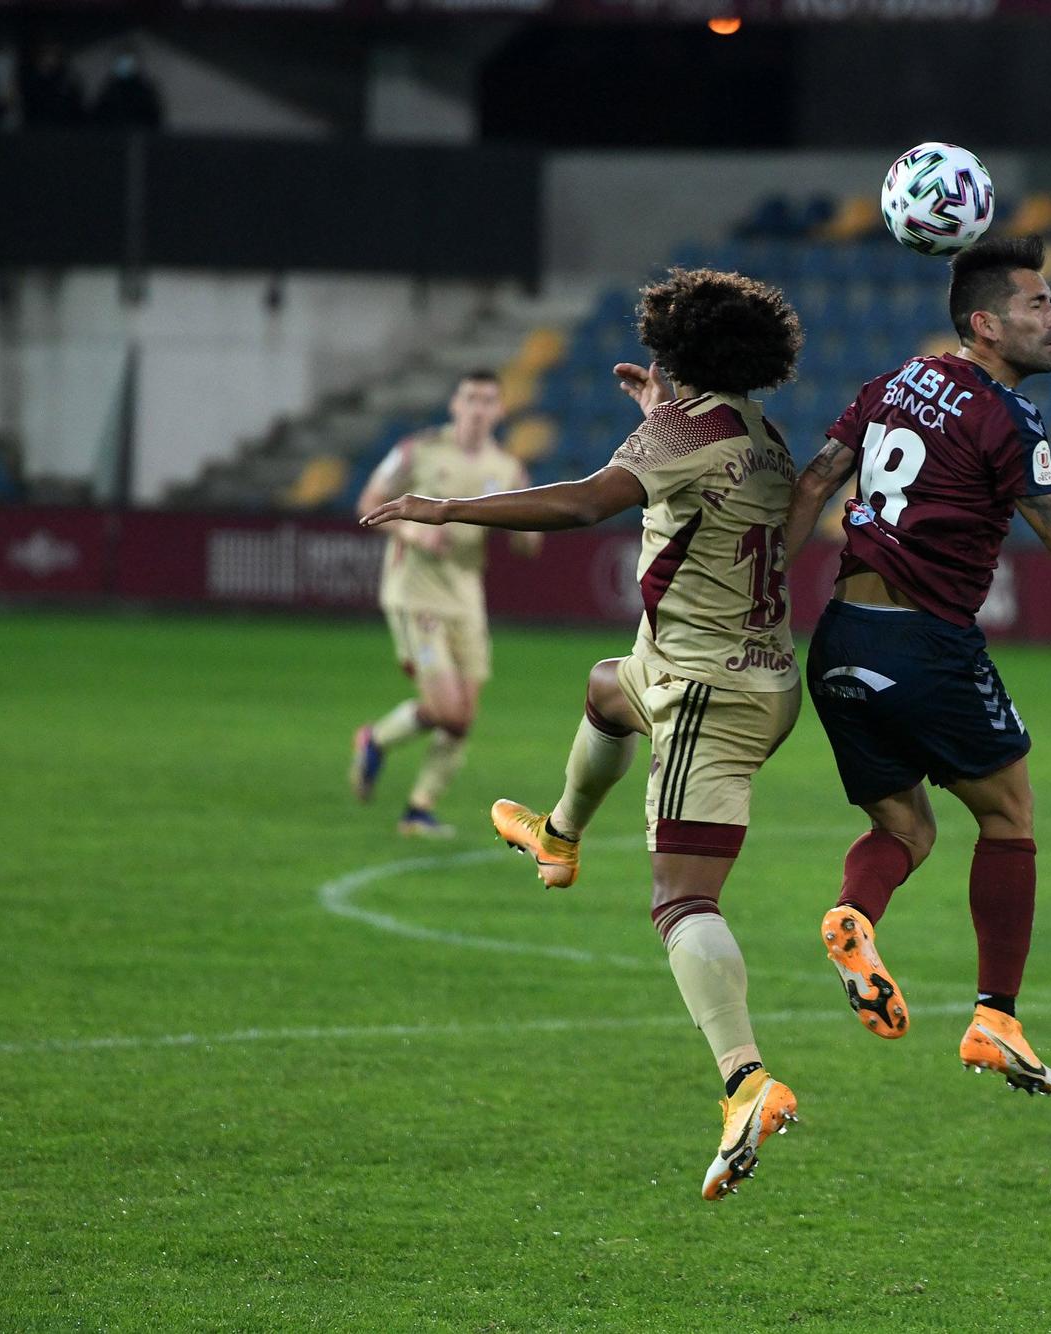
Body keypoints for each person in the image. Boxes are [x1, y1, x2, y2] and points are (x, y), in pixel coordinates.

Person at [363, 268, 806, 1202]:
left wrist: (444, 509)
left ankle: (745, 1081)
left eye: (660, 354)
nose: (648, 364)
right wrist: (661, 407)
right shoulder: (761, 433)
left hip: (703, 693)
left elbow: (579, 503)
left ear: (682, 356)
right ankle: (559, 837)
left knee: (681, 902)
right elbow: (694, 461)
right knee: (607, 690)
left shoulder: (681, 433)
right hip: (743, 673)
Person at [783, 234, 1051, 1096]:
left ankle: (855, 916)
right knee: (1008, 818)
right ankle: (995, 1019)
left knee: (906, 829)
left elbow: (816, 481)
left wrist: (760, 592)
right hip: (926, 644)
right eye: (1038, 305)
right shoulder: (1007, 418)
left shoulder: (893, 381)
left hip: (841, 640)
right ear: (985, 323)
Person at [351, 371, 537, 837]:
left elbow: (528, 541)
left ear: (499, 410)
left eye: (487, 400)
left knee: (462, 717)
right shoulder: (419, 450)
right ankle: (376, 741)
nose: (478, 408)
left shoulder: (509, 470)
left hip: (466, 596)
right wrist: (412, 531)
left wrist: (526, 529)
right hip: (416, 592)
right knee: (448, 708)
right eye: (470, 398)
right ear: (455, 404)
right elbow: (370, 501)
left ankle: (417, 807)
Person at [90, 46, 163, 131]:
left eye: (128, 61)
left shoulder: (145, 91)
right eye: (121, 61)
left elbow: (153, 118)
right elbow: (99, 115)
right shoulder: (110, 90)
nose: (124, 65)